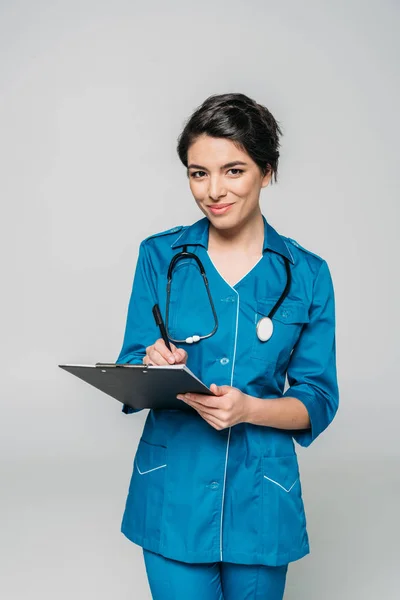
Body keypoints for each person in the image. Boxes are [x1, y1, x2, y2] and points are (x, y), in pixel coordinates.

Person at [116, 92, 339, 600]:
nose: (213, 190)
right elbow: (129, 364)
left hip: (261, 495)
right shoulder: (159, 256)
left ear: (267, 171)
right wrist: (151, 362)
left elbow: (318, 399)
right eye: (199, 173)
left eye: (233, 170)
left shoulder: (307, 274)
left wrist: (251, 409)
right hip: (175, 489)